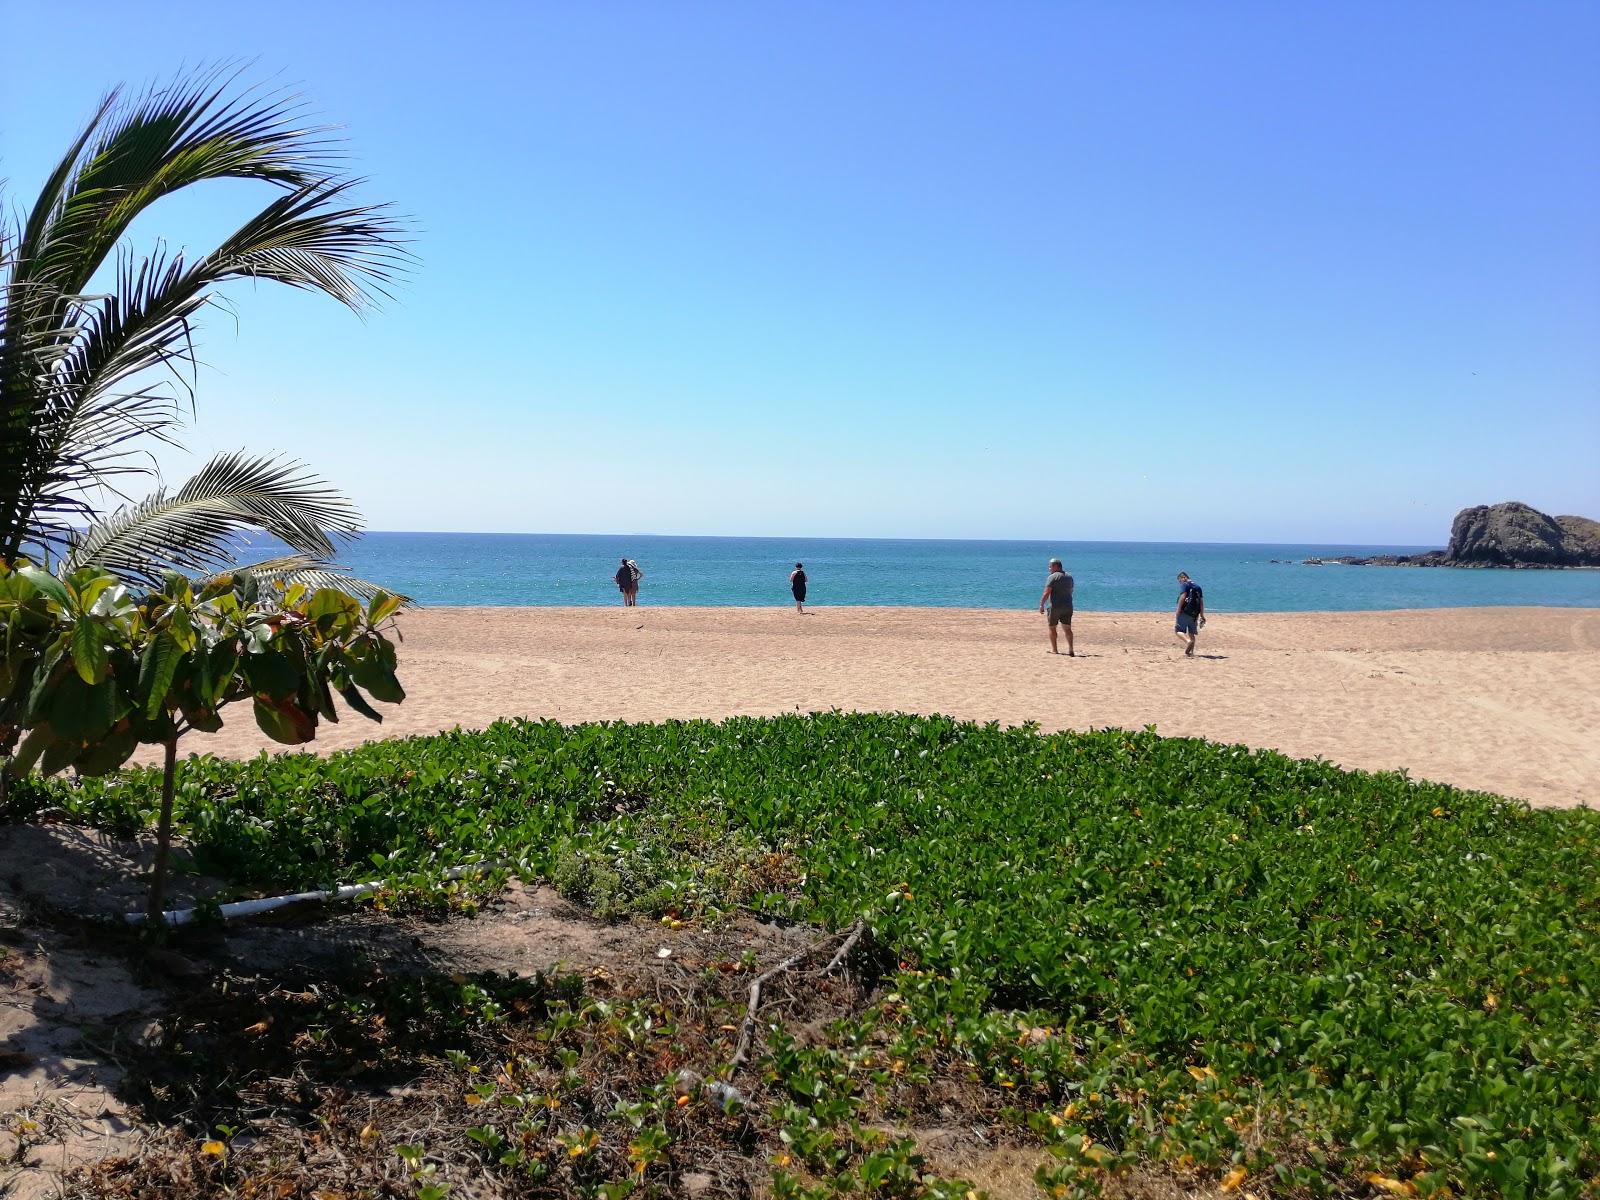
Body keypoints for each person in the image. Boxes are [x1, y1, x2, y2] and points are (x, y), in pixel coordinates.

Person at [1037, 558, 1075, 655]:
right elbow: (1071, 591)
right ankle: (1071, 649)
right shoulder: (1069, 576)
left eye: (1050, 566)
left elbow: (1047, 592)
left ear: (1055, 566)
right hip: (1068, 605)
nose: (1049, 568)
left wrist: (1041, 604)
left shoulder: (1052, 577)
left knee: (1052, 627)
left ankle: (1055, 650)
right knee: (1067, 628)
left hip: (1055, 606)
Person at [1174, 571, 1205, 657]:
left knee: (1178, 631)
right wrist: (1202, 615)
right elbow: (1201, 602)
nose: (1180, 583)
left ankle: (1188, 641)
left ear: (1183, 578)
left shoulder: (1185, 584)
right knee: (1191, 632)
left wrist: (1178, 609)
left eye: (1179, 581)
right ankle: (1191, 653)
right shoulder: (1198, 586)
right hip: (1194, 614)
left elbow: (1183, 596)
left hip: (1185, 611)